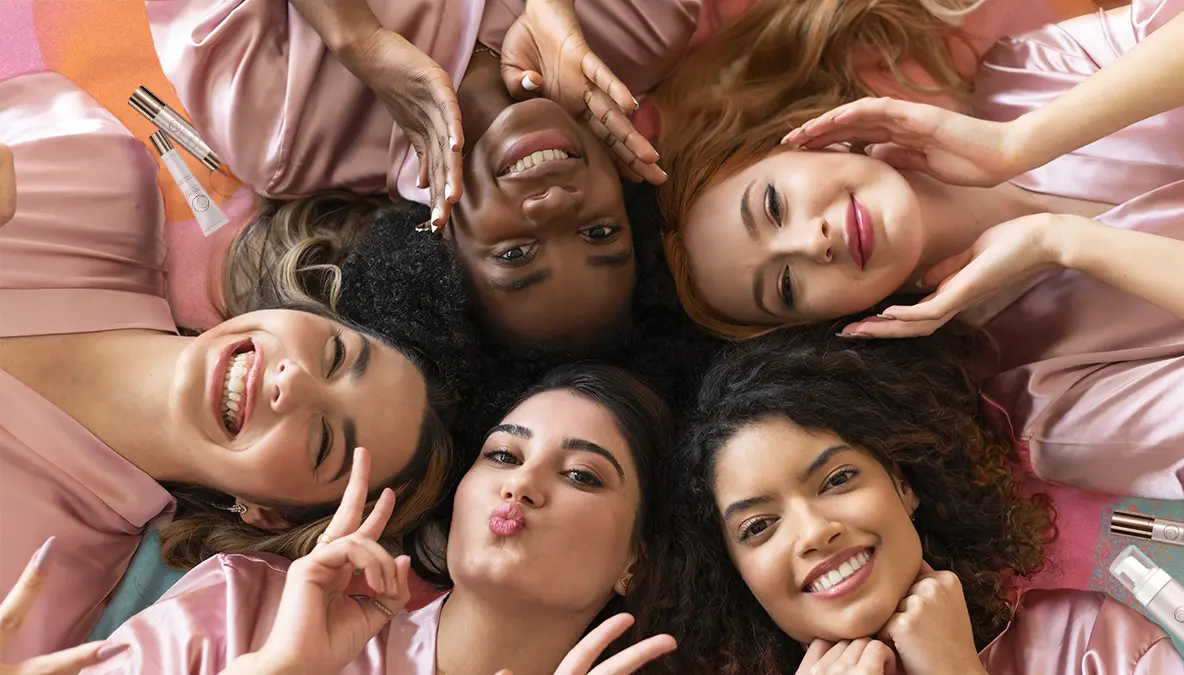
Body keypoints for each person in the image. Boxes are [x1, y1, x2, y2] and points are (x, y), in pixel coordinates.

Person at [655, 0, 1184, 499]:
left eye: (773, 204)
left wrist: (1022, 143)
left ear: (801, 141)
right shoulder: (1047, 405)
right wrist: (1063, 241)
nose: (810, 242)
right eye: (787, 286)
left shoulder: (1022, 76)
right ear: (830, 326)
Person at [0, 72, 454, 662]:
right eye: (337, 355)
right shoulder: (87, 177)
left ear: (266, 514)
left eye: (322, 443)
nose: (293, 383)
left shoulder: (39, 592)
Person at [629, 328, 1184, 674]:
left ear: (904, 484)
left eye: (837, 479)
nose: (812, 531)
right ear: (736, 574)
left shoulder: (1090, 642)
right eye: (758, 527)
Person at [148, 0, 701, 345]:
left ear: (439, 256)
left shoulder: (282, 135)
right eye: (599, 232)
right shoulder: (644, 21)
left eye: (516, 254)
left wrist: (356, 39)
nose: (553, 207)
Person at [84, 364, 679, 675]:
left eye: (580, 474)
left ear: (635, 560)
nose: (520, 483)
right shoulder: (241, 605)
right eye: (503, 454)